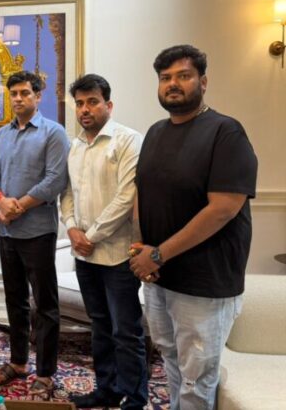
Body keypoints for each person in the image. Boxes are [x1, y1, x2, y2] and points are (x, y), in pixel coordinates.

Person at [130, 45, 258, 410]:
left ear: (203, 82)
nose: (173, 84)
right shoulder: (155, 132)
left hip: (204, 280)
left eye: (183, 76)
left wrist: (157, 254)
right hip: (160, 277)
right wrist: (140, 247)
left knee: (197, 375)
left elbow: (223, 209)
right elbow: (141, 191)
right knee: (170, 359)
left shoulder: (226, 132)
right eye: (165, 78)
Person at [60, 74, 147, 410]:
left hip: (117, 255)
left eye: (92, 102)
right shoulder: (75, 146)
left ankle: (134, 398)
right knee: (99, 326)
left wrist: (91, 235)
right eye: (80, 103)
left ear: (108, 105)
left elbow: (127, 197)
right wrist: (71, 229)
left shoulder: (128, 140)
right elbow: (67, 194)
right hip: (85, 257)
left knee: (126, 331)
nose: (85, 109)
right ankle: (107, 389)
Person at [0, 70, 70, 396]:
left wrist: (18, 206)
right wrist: (0, 200)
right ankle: (18, 362)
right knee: (15, 300)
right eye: (14, 94)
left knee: (44, 305)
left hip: (38, 232)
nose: (18, 98)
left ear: (38, 96)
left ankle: (45, 372)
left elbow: (55, 179)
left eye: (24, 93)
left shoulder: (53, 133)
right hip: (7, 232)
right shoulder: (2, 135)